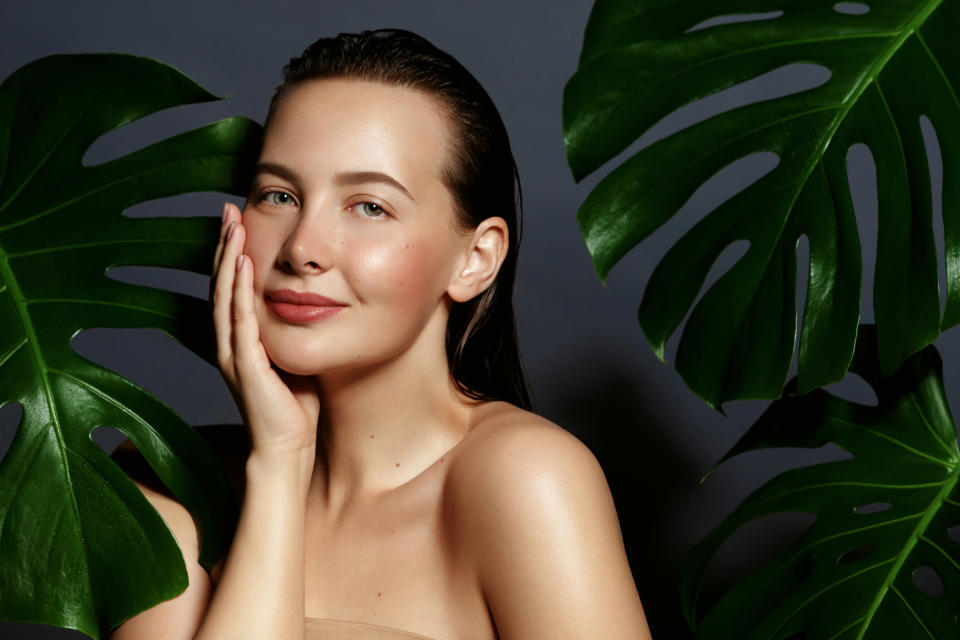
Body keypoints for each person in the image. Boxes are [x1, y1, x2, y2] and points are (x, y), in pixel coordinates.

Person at [110, 28, 651, 640]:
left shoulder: (527, 480)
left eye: (369, 206)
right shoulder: (160, 479)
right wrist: (280, 470)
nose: (303, 249)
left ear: (474, 259)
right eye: (279, 195)